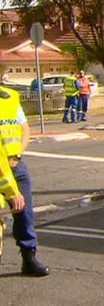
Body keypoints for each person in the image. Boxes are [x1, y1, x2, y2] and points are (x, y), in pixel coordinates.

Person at [0, 83, 50, 276]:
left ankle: (29, 257)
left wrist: (17, 155)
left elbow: (24, 128)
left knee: (25, 212)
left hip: (15, 165)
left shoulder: (10, 96)